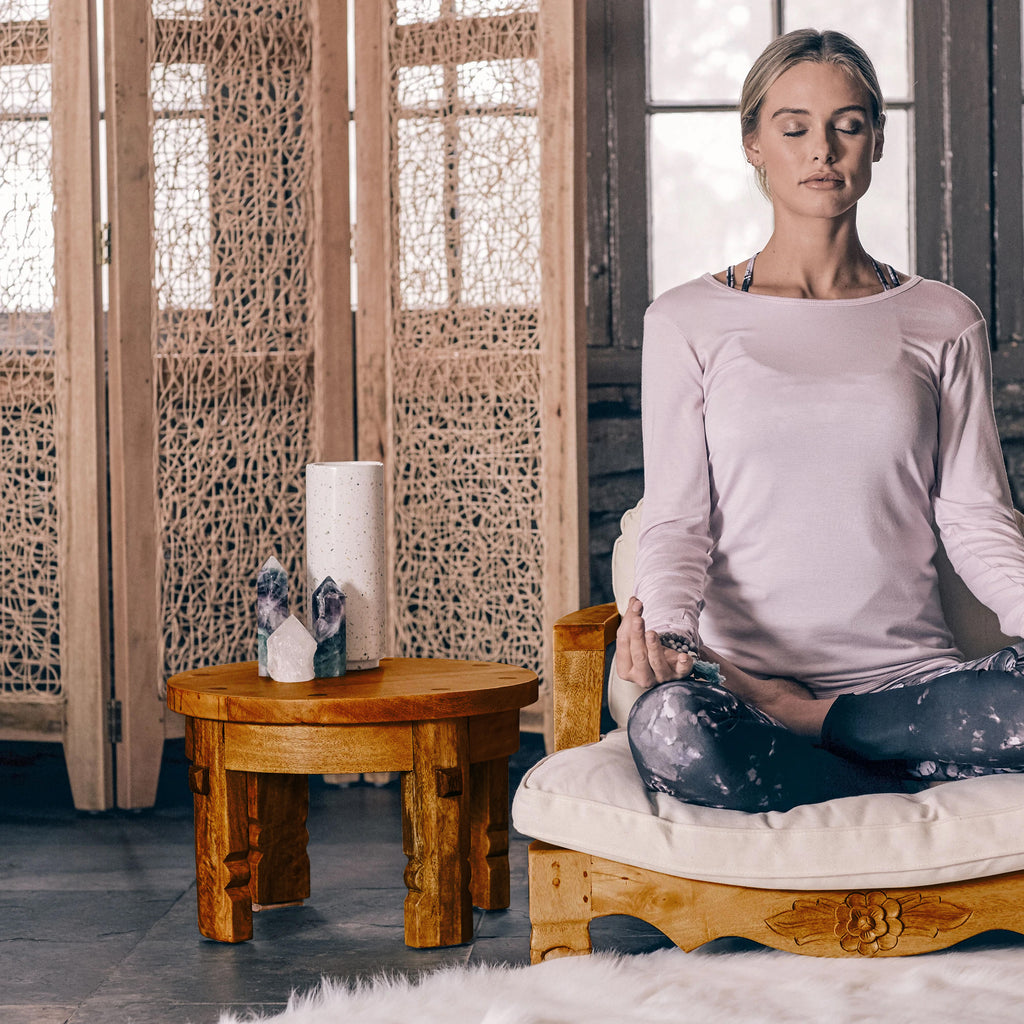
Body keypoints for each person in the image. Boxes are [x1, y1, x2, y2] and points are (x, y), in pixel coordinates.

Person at [618, 27, 1024, 813]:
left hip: (913, 685)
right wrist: (670, 638)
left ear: (876, 139)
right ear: (753, 146)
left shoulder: (944, 319)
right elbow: (677, 519)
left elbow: (976, 516)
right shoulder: (686, 320)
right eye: (794, 127)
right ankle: (883, 762)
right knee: (669, 728)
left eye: (847, 124)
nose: (823, 151)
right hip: (741, 684)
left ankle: (815, 728)